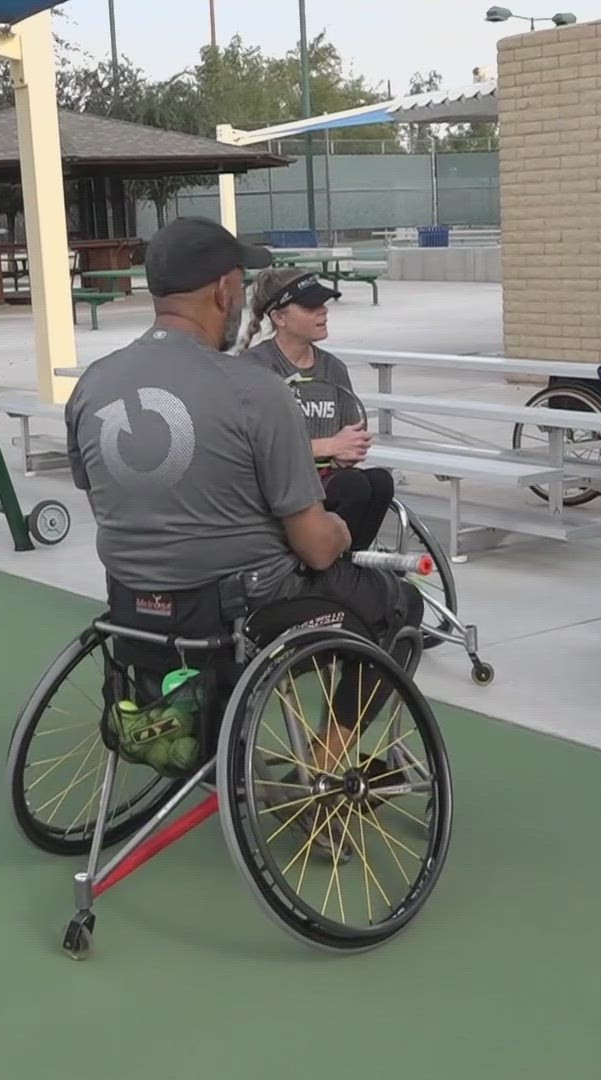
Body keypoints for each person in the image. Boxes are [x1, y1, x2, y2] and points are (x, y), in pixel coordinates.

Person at [63, 217, 423, 773]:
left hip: (133, 605)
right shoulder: (254, 390)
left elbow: (104, 506)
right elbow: (317, 548)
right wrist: (345, 530)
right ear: (225, 289)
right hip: (240, 610)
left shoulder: (93, 384)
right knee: (400, 605)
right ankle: (326, 770)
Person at [236, 267, 395, 550]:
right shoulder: (255, 368)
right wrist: (328, 446)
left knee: (380, 481)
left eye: (323, 304)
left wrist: (348, 452)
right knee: (353, 489)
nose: (323, 311)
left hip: (323, 480)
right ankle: (326, 566)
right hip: (273, 489)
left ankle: (347, 564)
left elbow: (351, 436)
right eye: (310, 306)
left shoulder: (333, 368)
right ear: (279, 317)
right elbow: (251, 448)